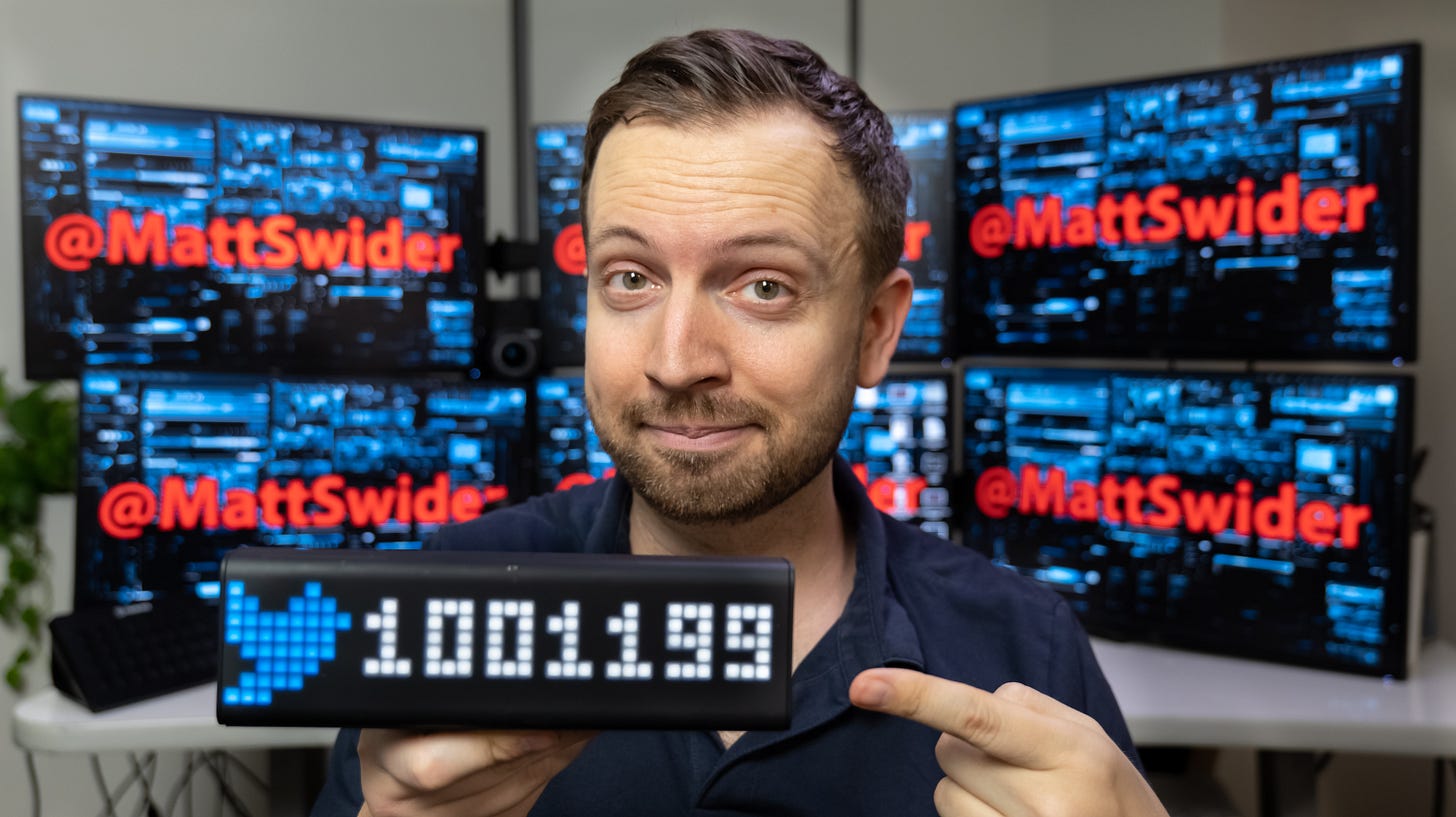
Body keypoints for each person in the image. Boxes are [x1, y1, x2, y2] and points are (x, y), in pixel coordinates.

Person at [311, 28, 1169, 817]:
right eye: (631, 278)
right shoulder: (444, 600)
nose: (677, 359)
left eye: (763, 286)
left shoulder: (1023, 648)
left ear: (876, 330)